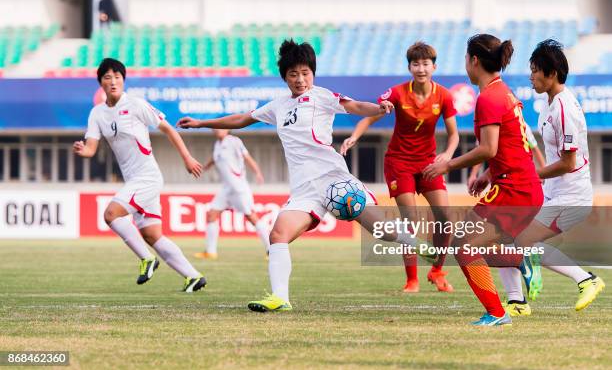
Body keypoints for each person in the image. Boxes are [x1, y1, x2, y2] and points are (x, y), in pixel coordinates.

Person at [178, 39, 428, 312]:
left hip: (333, 180)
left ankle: (415, 243)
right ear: (285, 77)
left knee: (380, 231)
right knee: (278, 235)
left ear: (313, 73)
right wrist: (202, 123)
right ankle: (280, 298)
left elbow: (355, 106)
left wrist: (379, 108)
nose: (300, 79)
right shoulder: (278, 106)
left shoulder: (321, 95)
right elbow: (242, 119)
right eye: (293, 74)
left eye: (305, 73)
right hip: (304, 190)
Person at [423, 34, 544, 326]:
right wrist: (488, 173)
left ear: (474, 60)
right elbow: (512, 145)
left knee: (464, 246)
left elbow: (489, 148)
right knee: (471, 245)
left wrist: (447, 165)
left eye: (466, 58)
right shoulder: (503, 93)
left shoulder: (489, 98)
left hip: (514, 189)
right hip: (520, 185)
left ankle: (497, 311)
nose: (465, 63)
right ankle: (518, 262)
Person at [74, 58, 206, 293]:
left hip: (147, 177)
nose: (113, 81)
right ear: (100, 83)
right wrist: (83, 151)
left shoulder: (135, 105)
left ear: (123, 80)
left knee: (111, 214)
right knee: (151, 234)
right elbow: (91, 147)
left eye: (117, 77)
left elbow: (168, 128)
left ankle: (147, 260)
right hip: (134, 180)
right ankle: (193, 276)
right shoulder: (97, 114)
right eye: (107, 77)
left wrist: (186, 158)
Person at [497, 39, 604, 316]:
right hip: (553, 192)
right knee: (504, 235)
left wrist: (528, 176)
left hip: (572, 197)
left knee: (521, 240)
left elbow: (568, 163)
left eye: (535, 70)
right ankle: (517, 302)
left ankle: (587, 280)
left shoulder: (565, 109)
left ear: (552, 73)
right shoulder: (548, 104)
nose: (531, 76)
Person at [341, 42, 458, 293]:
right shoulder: (396, 93)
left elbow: (454, 135)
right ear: (409, 67)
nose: (421, 68)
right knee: (410, 221)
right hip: (399, 163)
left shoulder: (445, 96)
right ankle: (412, 280)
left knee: (446, 217)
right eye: (416, 64)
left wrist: (446, 155)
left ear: (434, 67)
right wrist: (355, 137)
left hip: (429, 163)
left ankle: (437, 271)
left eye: (426, 64)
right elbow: (371, 115)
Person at [194, 129, 270, 259]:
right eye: (215, 128)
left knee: (252, 217)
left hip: (238, 187)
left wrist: (257, 172)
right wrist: (204, 167)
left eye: (221, 127)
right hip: (226, 188)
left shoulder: (234, 141)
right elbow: (214, 158)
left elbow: (247, 157)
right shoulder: (217, 144)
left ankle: (271, 250)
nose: (218, 130)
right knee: (212, 215)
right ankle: (210, 252)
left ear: (227, 129)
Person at [467, 125, 545, 190]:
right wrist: (473, 175)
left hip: (517, 178)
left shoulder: (522, 126)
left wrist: (544, 174)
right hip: (499, 178)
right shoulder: (485, 126)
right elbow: (482, 153)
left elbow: (534, 149)